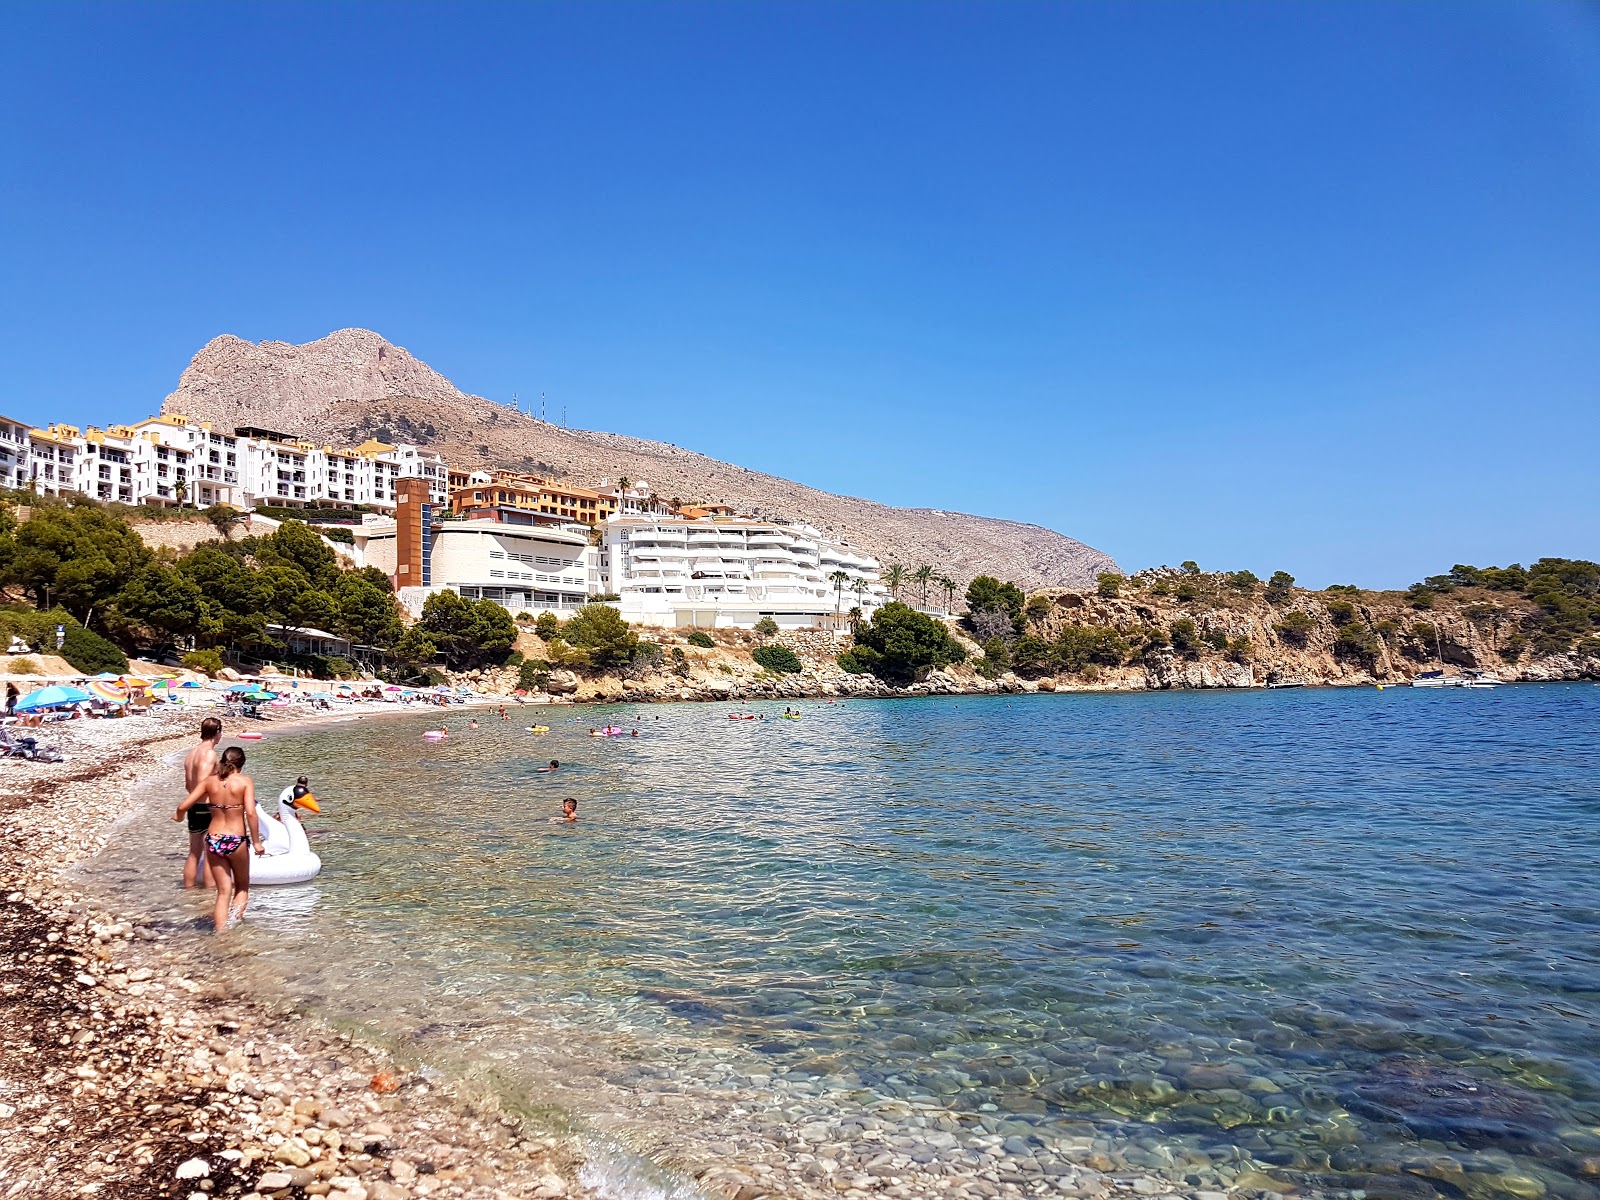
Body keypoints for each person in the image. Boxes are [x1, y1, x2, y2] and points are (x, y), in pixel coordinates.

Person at [175, 745, 262, 933]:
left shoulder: (210, 781)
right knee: (241, 887)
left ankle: (221, 932)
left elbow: (184, 805)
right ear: (242, 764)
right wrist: (256, 842)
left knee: (223, 892)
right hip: (236, 839)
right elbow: (251, 813)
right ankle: (234, 925)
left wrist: (179, 816)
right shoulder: (245, 782)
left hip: (213, 839)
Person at [181, 717, 223, 890]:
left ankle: (189, 891)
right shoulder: (209, 754)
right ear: (217, 732)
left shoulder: (192, 753)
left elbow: (187, 785)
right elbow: (202, 783)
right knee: (210, 854)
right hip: (206, 807)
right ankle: (209, 893)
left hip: (193, 806)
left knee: (194, 853)